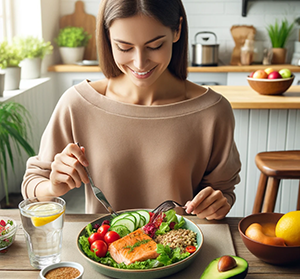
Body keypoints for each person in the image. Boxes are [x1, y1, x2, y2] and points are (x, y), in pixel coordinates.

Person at [21, 0, 241, 220]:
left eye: (155, 46)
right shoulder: (77, 104)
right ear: (108, 38)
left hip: (183, 251)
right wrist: (52, 187)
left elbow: (223, 191)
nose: (140, 63)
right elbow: (32, 183)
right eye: (124, 47)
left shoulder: (213, 111)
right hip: (103, 251)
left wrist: (217, 203)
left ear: (177, 30)